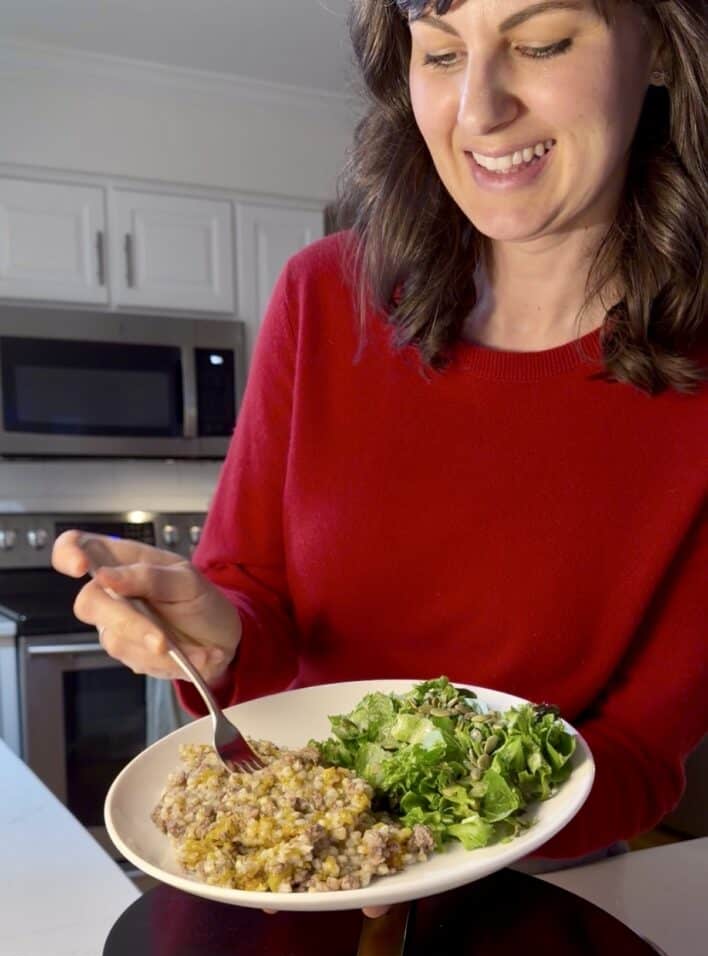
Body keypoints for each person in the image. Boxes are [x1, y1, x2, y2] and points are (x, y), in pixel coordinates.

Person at [53, 0, 706, 895]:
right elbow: (252, 597)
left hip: (545, 886)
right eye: (439, 54)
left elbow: (638, 751)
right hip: (290, 862)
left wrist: (402, 844)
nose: (478, 110)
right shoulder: (323, 296)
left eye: (541, 43)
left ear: (661, 46)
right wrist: (216, 638)